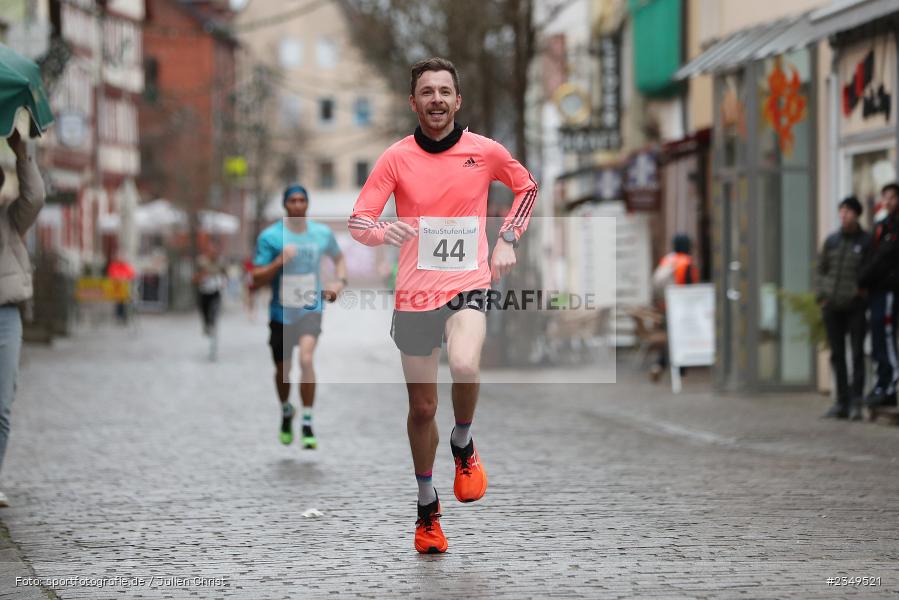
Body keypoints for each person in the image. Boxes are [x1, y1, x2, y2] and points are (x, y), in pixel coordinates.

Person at [348, 57, 537, 554]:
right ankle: (427, 506)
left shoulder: (485, 151)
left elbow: (527, 186)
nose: (436, 99)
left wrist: (508, 238)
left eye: (444, 91)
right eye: (426, 92)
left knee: (466, 362)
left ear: (458, 100)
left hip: (468, 283)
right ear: (414, 103)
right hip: (414, 293)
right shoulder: (396, 158)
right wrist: (381, 231)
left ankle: (463, 442)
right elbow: (359, 220)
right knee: (421, 407)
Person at [253, 185, 346, 449]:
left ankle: (307, 420)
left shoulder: (321, 233)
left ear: (307, 204)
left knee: (306, 359)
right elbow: (256, 277)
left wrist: (339, 282)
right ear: (285, 205)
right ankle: (286, 410)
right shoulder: (270, 237)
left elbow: (339, 259)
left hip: (310, 308)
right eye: (292, 200)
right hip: (280, 313)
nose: (297, 205)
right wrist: (278, 262)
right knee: (283, 371)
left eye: (301, 200)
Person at [0, 130, 46, 508]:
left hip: (5, 315)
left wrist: (22, 153)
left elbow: (35, 196)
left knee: (2, 402)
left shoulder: (10, 220)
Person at [815, 196, 870, 420]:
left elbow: (871, 269)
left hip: (855, 306)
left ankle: (857, 401)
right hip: (832, 305)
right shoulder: (832, 241)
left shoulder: (866, 241)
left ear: (857, 214)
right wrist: (822, 296)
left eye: (848, 211)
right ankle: (842, 402)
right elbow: (821, 269)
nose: (844, 215)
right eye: (841, 211)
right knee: (837, 355)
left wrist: (862, 290)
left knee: (857, 353)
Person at [859, 183, 899, 411]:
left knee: (885, 336)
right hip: (875, 291)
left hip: (888, 290)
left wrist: (863, 279)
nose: (889, 201)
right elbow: (872, 257)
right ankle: (881, 384)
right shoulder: (882, 226)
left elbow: (883, 259)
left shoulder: (894, 229)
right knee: (876, 338)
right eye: (886, 197)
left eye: (893, 197)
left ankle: (891, 384)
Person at [649, 234, 699, 381]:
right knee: (681, 337)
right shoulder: (686, 262)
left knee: (672, 337)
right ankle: (678, 369)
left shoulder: (667, 260)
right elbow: (689, 287)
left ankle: (661, 365)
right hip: (682, 307)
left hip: (666, 306)